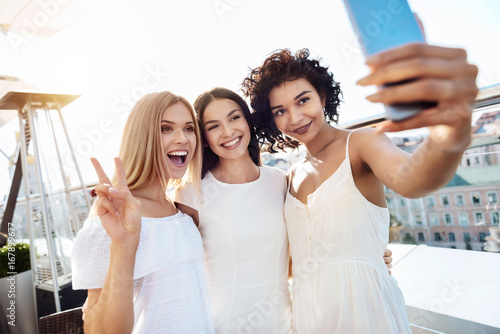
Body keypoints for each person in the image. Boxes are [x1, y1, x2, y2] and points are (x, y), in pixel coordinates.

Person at [241, 44, 478, 333]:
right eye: (280, 111)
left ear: (323, 96)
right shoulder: (289, 176)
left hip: (367, 314)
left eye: (303, 100)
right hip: (309, 318)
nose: (294, 118)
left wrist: (450, 131)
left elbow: (412, 179)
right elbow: (294, 260)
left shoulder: (361, 144)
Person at [174, 87, 394, 333]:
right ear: (203, 137)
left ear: (248, 121)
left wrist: (366, 250)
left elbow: (296, 254)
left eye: (234, 117)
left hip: (282, 324)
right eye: (213, 126)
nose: (228, 132)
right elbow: (178, 275)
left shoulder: (281, 182)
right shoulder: (191, 196)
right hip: (219, 325)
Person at [71, 92, 215, 333]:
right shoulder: (115, 211)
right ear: (143, 136)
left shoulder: (178, 207)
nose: (182, 138)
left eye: (189, 128)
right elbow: (99, 329)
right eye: (166, 128)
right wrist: (122, 244)